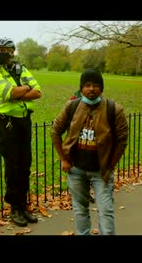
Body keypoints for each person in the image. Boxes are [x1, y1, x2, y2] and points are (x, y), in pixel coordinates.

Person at [51, 68, 128, 235]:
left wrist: (110, 165)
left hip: (102, 171)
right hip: (76, 169)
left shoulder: (114, 109)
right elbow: (55, 131)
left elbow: (122, 140)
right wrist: (64, 159)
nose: (91, 89)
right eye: (87, 85)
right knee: (80, 210)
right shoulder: (71, 107)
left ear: (101, 88)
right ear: (81, 88)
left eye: (95, 85)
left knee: (105, 211)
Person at [0, 37, 42, 227]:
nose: (2, 53)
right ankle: (14, 208)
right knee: (13, 166)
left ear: (13, 51)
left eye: (5, 50)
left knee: (25, 165)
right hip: (6, 124)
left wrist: (19, 91)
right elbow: (8, 93)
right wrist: (25, 88)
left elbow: (38, 92)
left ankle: (23, 205)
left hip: (24, 121)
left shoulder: (22, 69)